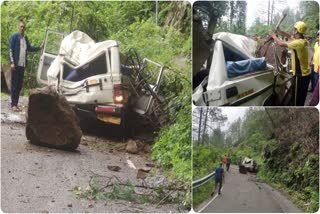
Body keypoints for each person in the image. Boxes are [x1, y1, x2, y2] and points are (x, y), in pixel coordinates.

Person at [269, 21, 310, 106]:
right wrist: (280, 31)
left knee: (297, 98)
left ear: (297, 31)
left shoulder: (298, 43)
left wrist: (274, 36)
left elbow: (280, 43)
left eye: (294, 29)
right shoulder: (302, 40)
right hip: (305, 74)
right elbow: (288, 35)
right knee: (300, 96)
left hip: (300, 76)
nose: (292, 30)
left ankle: (297, 109)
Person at [9, 20, 43, 112]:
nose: (22, 28)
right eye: (21, 27)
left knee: (19, 86)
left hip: (22, 66)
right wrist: (12, 62)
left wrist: (39, 47)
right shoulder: (14, 37)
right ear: (18, 28)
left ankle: (15, 103)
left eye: (24, 27)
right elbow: (11, 50)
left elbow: (30, 48)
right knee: (14, 85)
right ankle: (13, 104)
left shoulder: (25, 38)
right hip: (15, 65)